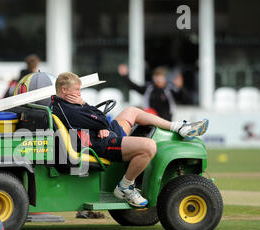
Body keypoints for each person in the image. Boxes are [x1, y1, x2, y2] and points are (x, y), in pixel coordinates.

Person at [51, 72, 208, 207]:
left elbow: (97, 121)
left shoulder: (62, 103)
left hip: (100, 134)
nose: (80, 94)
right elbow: (102, 120)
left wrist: (99, 125)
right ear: (64, 90)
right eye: (77, 90)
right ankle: (125, 186)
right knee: (149, 146)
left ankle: (178, 127)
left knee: (132, 111)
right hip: (101, 145)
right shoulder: (69, 109)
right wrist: (87, 107)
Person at [117, 64, 190, 121]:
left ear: (164, 78)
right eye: (156, 76)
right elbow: (134, 86)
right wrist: (125, 76)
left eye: (160, 77)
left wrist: (180, 87)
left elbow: (183, 98)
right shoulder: (149, 88)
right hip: (151, 119)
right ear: (153, 77)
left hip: (166, 120)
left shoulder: (170, 89)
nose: (158, 79)